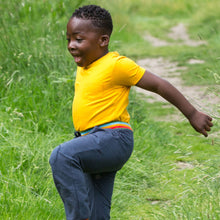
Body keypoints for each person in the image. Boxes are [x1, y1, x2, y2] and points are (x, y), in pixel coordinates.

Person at [49, 4, 213, 220]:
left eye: (78, 40)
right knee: (98, 214)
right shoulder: (85, 66)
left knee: (62, 156)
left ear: (103, 40)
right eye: (68, 39)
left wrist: (192, 114)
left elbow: (158, 84)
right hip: (92, 142)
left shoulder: (117, 65)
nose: (71, 45)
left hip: (112, 138)